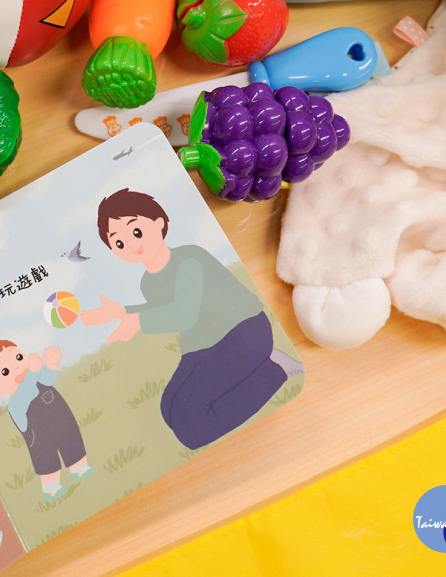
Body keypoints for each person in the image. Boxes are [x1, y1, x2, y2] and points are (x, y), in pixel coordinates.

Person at [83, 188, 304, 449]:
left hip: (241, 333)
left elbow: (183, 313)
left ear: (159, 223)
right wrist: (123, 312)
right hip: (202, 347)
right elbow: (163, 309)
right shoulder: (148, 282)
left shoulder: (190, 259)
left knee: (192, 429)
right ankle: (261, 369)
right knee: (168, 408)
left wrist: (137, 320)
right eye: (118, 243)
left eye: (136, 231)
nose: (130, 245)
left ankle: (276, 369)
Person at [0, 340, 92, 499]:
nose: (17, 367)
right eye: (5, 371)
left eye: (18, 357)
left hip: (63, 425)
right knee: (47, 461)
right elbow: (25, 393)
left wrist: (51, 364)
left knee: (71, 441)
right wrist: (32, 373)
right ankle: (51, 488)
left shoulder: (37, 380)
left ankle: (79, 468)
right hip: (41, 441)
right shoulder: (15, 404)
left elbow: (47, 379)